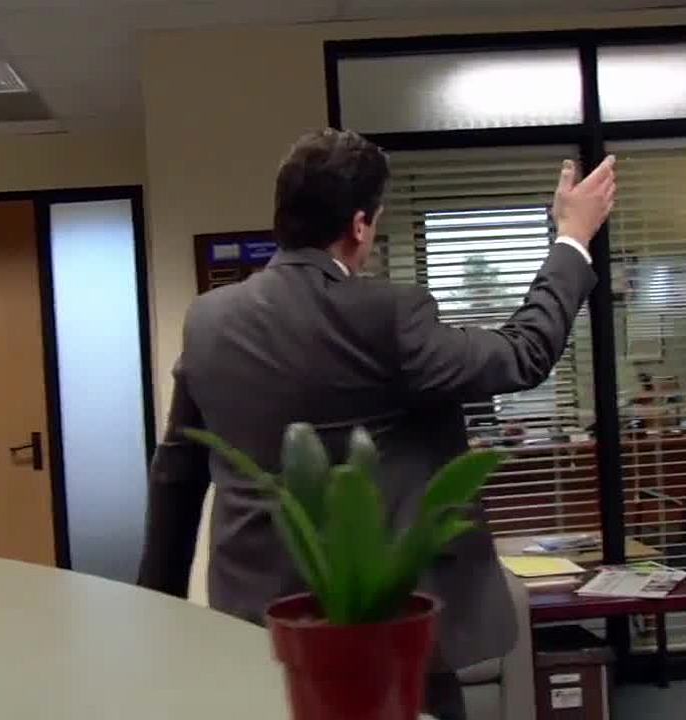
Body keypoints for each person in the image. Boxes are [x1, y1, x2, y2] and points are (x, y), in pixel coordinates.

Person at [138, 129, 615, 719]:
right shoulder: (389, 315)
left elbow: (177, 474)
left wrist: (157, 616)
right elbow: (523, 353)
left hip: (260, 633)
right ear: (360, 225)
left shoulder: (210, 320)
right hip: (390, 637)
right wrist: (573, 237)